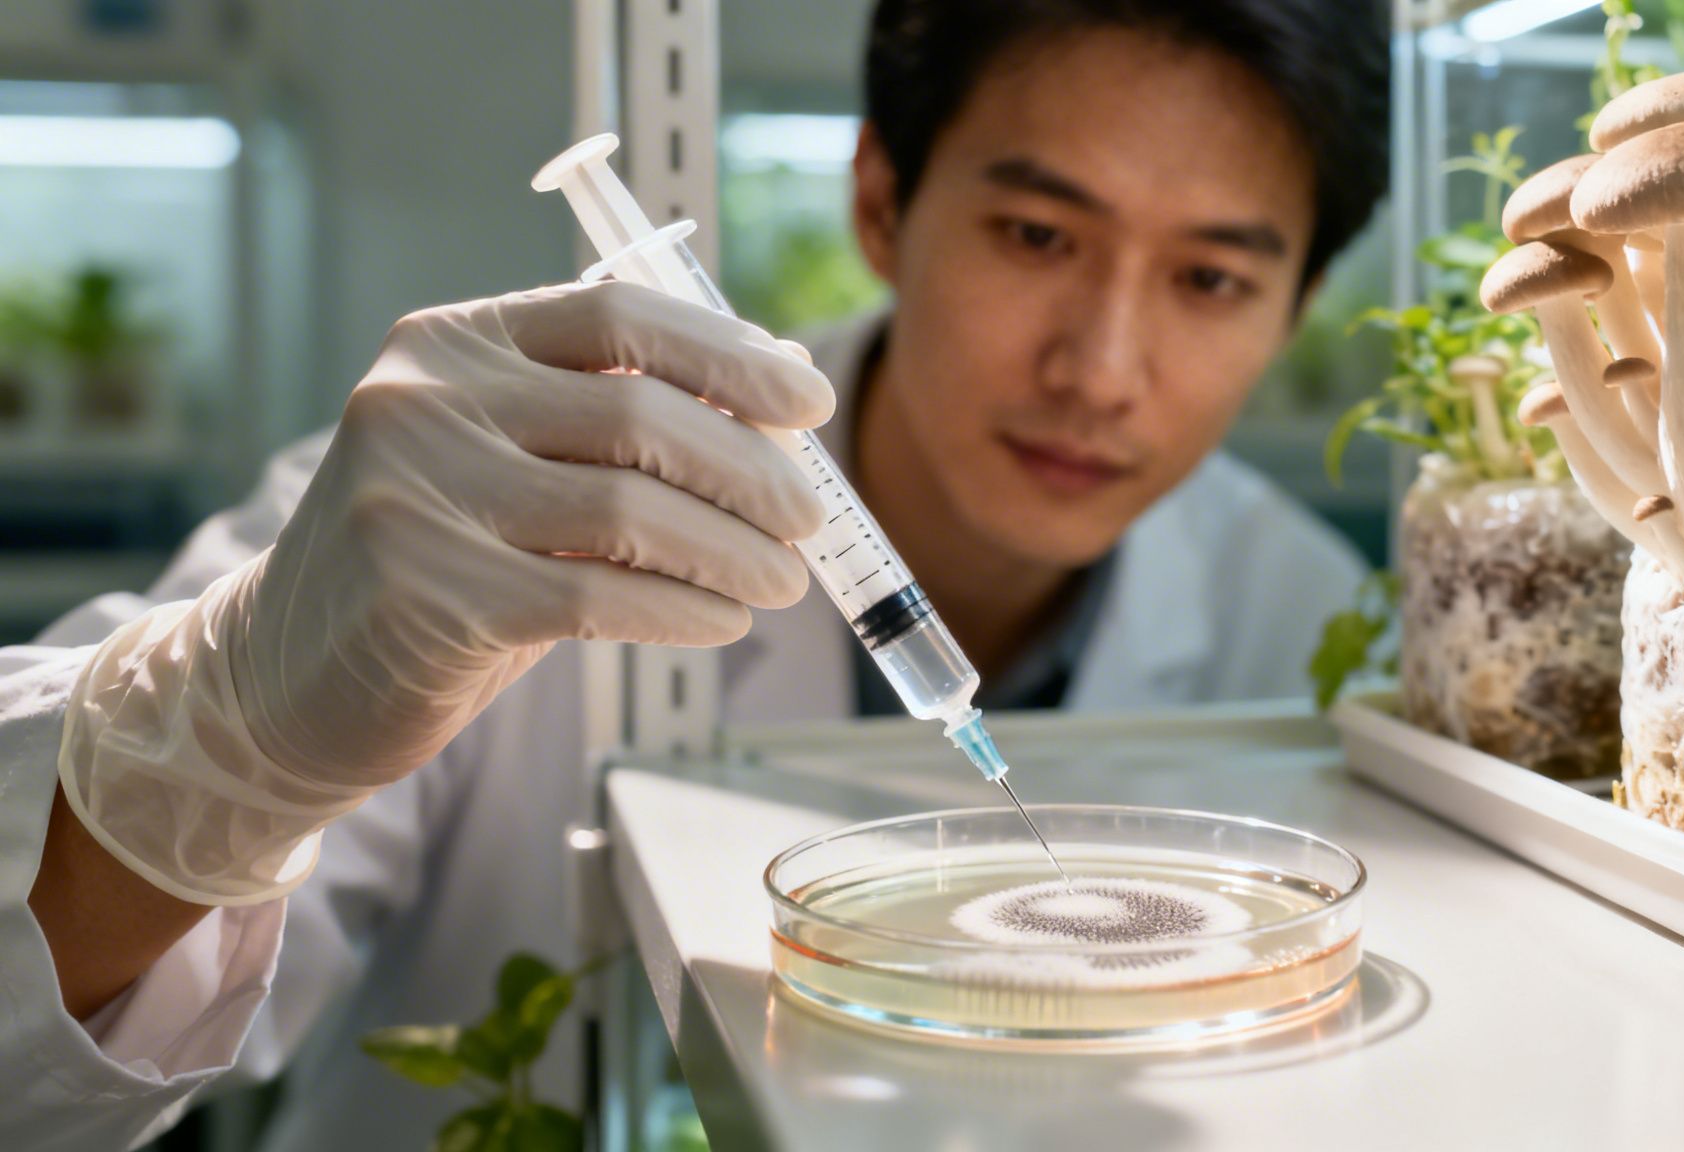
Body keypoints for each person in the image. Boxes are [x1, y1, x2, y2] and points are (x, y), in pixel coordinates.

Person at [1, 0, 1390, 1147]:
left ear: (1298, 306)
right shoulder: (469, 523)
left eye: (1210, 278)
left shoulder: (1305, 613)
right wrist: (222, 735)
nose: (1099, 369)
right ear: (880, 201)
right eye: (1036, 235)